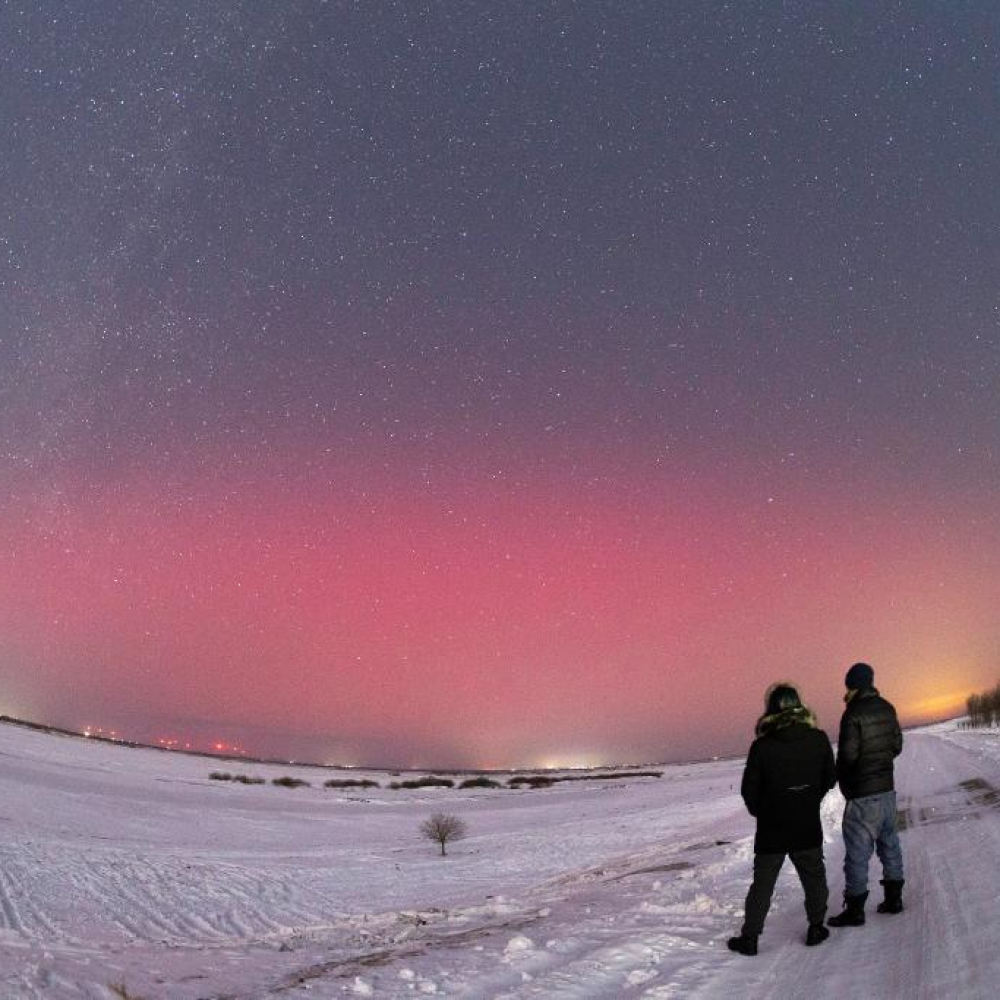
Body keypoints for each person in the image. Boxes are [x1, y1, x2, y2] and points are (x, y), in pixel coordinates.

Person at [728, 683, 836, 956]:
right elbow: (829, 778)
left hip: (771, 829)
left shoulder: (762, 747)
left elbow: (749, 791)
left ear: (771, 711)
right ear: (800, 707)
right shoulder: (818, 738)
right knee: (814, 877)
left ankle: (750, 939)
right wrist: (809, 798)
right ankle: (816, 928)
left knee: (763, 884)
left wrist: (763, 811)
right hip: (806, 824)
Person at [828, 661, 904, 927]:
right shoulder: (887, 707)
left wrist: (845, 781)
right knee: (890, 846)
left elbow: (847, 756)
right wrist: (881, 762)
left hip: (862, 794)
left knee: (857, 855)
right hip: (886, 790)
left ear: (853, 684)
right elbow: (896, 745)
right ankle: (894, 899)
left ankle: (855, 910)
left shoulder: (853, 713)